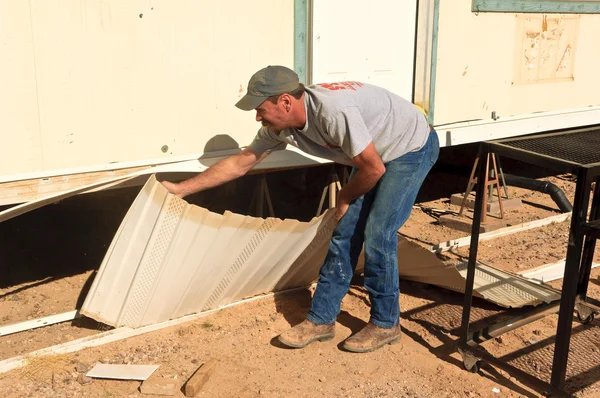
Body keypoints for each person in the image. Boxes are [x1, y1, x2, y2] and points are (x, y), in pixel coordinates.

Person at [161, 65, 439, 353]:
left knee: (378, 233)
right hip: (375, 154)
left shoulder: (332, 112)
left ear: (284, 101)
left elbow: (373, 168)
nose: (257, 117)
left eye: (260, 109)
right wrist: (182, 189)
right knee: (345, 233)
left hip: (410, 147)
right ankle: (321, 320)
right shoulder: (277, 128)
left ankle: (385, 323)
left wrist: (343, 198)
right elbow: (241, 163)